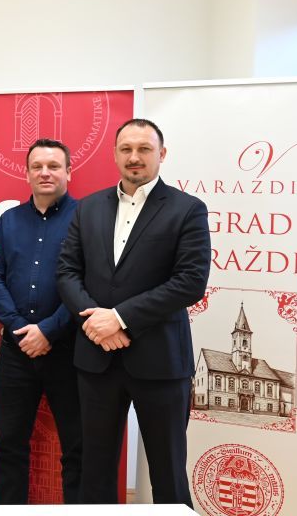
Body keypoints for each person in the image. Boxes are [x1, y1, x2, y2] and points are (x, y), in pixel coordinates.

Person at [57, 119, 210, 507]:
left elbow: (190, 282)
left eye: (144, 149)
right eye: (126, 149)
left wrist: (119, 318)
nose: (134, 157)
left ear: (162, 154)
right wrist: (96, 322)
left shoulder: (187, 209)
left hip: (160, 361)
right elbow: (67, 272)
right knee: (95, 473)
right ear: (114, 154)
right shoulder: (89, 207)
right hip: (97, 359)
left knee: (168, 474)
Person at [0, 139, 82, 504]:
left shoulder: (86, 219)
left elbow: (88, 282)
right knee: (9, 444)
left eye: (54, 166)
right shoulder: (9, 220)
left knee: (77, 447)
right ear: (26, 174)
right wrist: (18, 328)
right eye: (37, 166)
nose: (45, 173)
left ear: (68, 172)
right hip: (16, 350)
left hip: (69, 351)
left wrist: (49, 330)